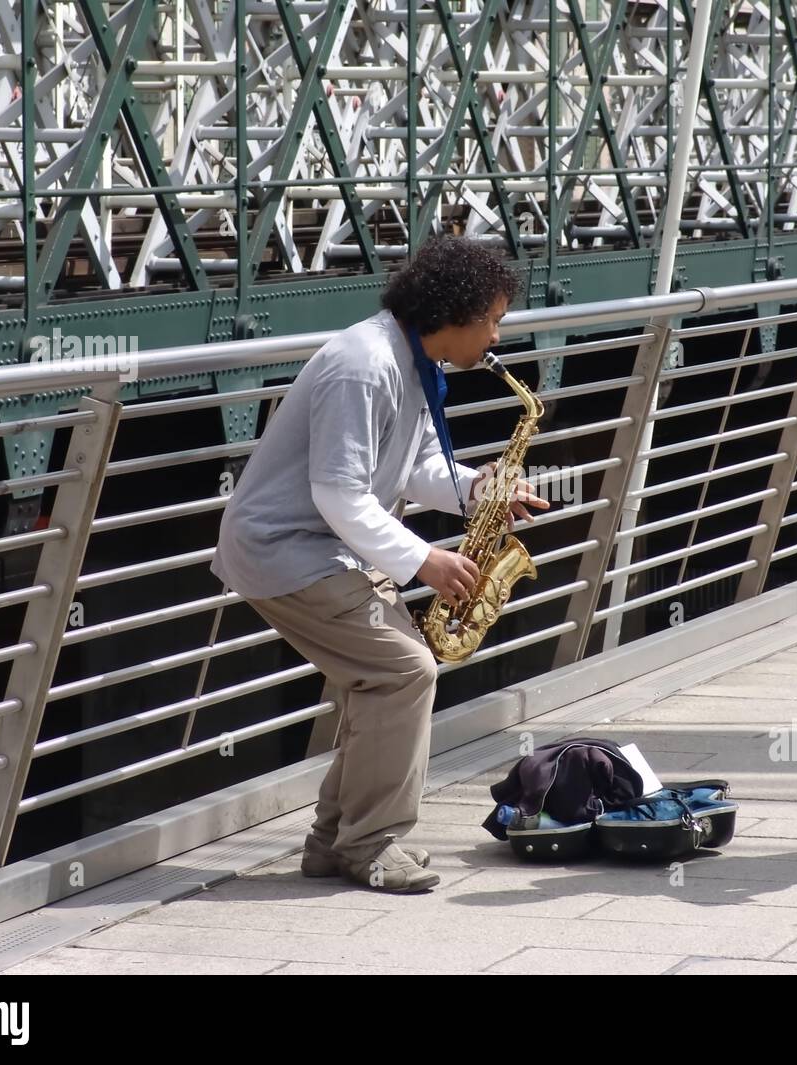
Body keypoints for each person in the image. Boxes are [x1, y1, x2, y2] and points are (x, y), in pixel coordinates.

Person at [212, 236, 547, 893]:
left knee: (379, 682)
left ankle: (333, 842)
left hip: (326, 548)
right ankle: (370, 844)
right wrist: (425, 560)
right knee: (404, 672)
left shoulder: (416, 361)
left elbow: (417, 469)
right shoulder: (363, 364)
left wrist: (481, 491)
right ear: (459, 312)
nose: (498, 334)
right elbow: (338, 492)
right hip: (286, 549)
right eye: (495, 319)